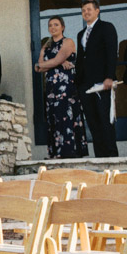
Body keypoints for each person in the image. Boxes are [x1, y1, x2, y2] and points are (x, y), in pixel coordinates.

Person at [35, 14, 87, 159]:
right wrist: (54, 63)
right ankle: (56, 152)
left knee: (66, 115)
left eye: (56, 24)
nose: (53, 27)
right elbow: (38, 67)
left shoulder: (68, 42)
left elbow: (55, 60)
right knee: (54, 117)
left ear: (63, 27)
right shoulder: (46, 45)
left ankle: (70, 151)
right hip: (51, 87)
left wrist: (52, 63)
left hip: (66, 87)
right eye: (50, 25)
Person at [75, 0, 119, 157]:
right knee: (92, 122)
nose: (86, 12)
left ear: (97, 11)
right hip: (85, 84)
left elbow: (112, 53)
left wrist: (109, 77)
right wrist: (77, 84)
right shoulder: (81, 33)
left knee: (105, 119)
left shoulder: (106, 28)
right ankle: (100, 158)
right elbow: (81, 59)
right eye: (83, 10)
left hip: (102, 82)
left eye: (89, 9)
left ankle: (112, 157)